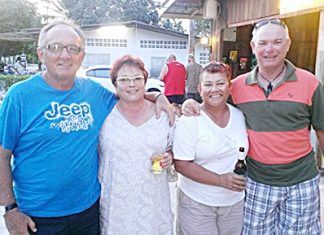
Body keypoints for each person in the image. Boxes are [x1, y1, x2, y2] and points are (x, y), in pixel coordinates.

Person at [0, 19, 173, 235]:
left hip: (88, 212)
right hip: (38, 217)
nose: (65, 55)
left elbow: (128, 96)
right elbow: (2, 156)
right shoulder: (19, 97)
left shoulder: (93, 92)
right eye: (55, 47)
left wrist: (158, 96)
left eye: (73, 48)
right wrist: (10, 209)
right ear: (41, 53)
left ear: (81, 56)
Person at [181, 18, 324, 234]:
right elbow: (213, 104)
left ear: (288, 44)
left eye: (277, 42)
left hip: (301, 182)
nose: (270, 49)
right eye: (263, 42)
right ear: (253, 46)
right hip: (257, 182)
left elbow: (321, 131)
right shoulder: (237, 87)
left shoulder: (310, 83)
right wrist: (189, 103)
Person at [98, 54, 174, 234]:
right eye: (124, 79)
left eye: (137, 79)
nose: (131, 84)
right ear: (115, 85)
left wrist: (169, 157)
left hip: (153, 203)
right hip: (115, 203)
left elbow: (172, 147)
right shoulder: (103, 115)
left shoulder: (163, 115)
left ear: (146, 81)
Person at [173, 61, 248, 235]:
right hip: (197, 203)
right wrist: (221, 180)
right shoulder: (190, 120)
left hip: (233, 203)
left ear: (229, 87)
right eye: (208, 84)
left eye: (220, 83)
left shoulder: (240, 116)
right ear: (199, 89)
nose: (215, 89)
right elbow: (181, 164)